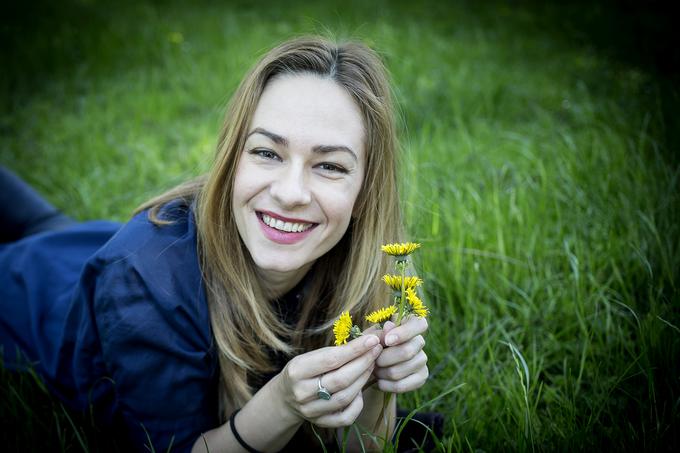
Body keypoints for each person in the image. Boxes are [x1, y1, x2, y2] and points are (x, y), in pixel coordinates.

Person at [0, 36, 441, 452]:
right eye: (267, 152)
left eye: (329, 166)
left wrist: (380, 387)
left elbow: (357, 447)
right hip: (28, 289)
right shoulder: (145, 282)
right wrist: (282, 404)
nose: (291, 193)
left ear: (365, 191)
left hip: (81, 241)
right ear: (232, 161)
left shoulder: (368, 267)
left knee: (46, 224)